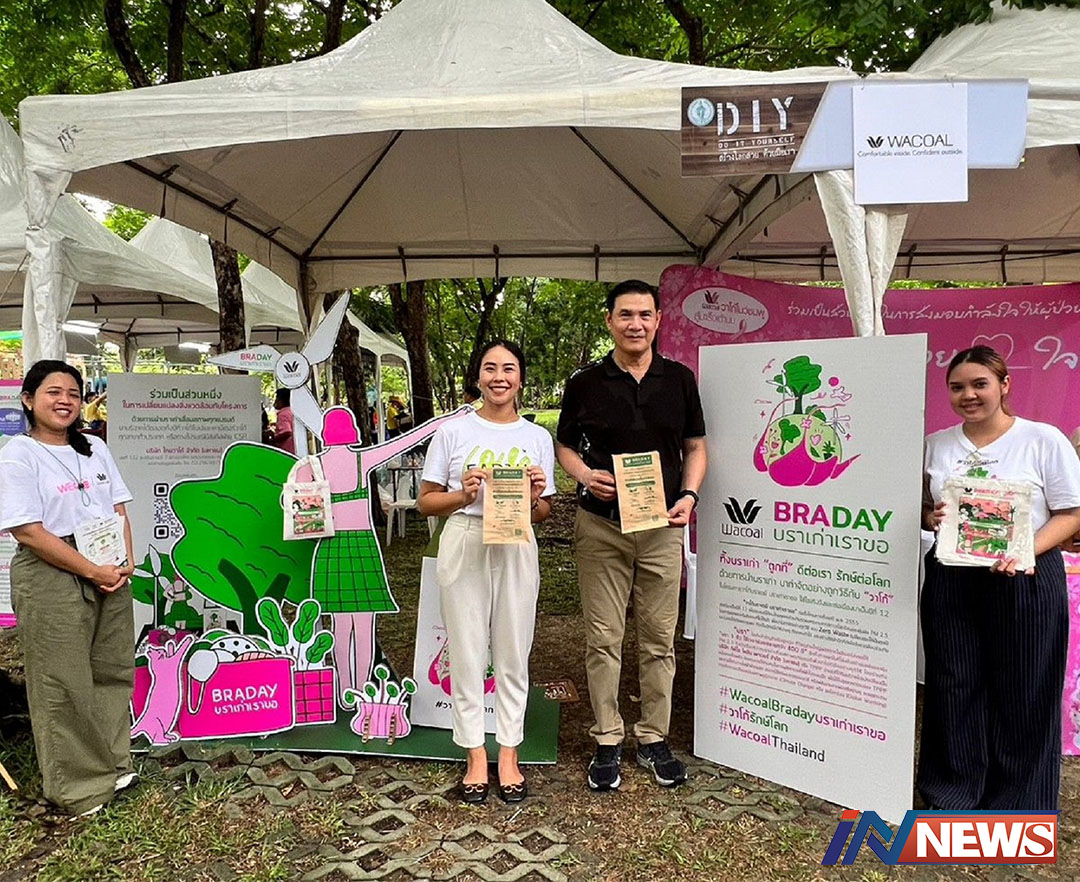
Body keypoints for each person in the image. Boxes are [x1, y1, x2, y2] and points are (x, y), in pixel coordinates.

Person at [556, 279, 707, 792]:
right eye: (625, 315)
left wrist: (689, 496)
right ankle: (606, 738)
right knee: (603, 637)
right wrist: (583, 475)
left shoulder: (680, 380)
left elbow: (695, 446)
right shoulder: (585, 382)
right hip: (602, 527)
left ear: (659, 320)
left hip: (662, 527)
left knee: (659, 639)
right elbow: (564, 446)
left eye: (645, 315)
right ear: (609, 321)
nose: (635, 324)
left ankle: (653, 737)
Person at [920, 346, 1080, 810]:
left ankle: (1017, 803)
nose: (968, 395)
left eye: (979, 384)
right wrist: (932, 518)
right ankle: (952, 792)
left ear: (1004, 385)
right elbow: (926, 510)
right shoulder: (936, 444)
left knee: (1025, 691)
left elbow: (1072, 513)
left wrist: (1024, 549)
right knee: (954, 685)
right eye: (957, 387)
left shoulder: (1042, 439)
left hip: (1025, 578)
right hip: (952, 580)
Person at [419, 340, 554, 804]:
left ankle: (509, 751)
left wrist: (534, 497)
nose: (499, 377)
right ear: (477, 376)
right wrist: (464, 494)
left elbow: (543, 511)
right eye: (490, 368)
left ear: (521, 379)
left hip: (516, 543)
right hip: (466, 538)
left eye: (509, 369)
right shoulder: (453, 432)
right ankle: (475, 754)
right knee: (467, 652)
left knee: (514, 649)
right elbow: (426, 502)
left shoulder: (537, 438)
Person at [0, 360, 137, 816]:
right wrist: (92, 570)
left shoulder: (95, 447)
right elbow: (28, 531)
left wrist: (124, 561)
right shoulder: (18, 454)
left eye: (73, 394)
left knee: (111, 669)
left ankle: (114, 763)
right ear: (28, 399)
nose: (65, 401)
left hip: (108, 564)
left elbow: (118, 507)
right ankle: (79, 787)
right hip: (52, 568)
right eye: (53, 392)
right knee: (61, 679)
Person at [271, 388, 295, 454]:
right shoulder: (292, 411)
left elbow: (286, 431)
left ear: (281, 400)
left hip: (287, 450)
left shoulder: (283, 414)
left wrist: (274, 438)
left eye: (276, 399)